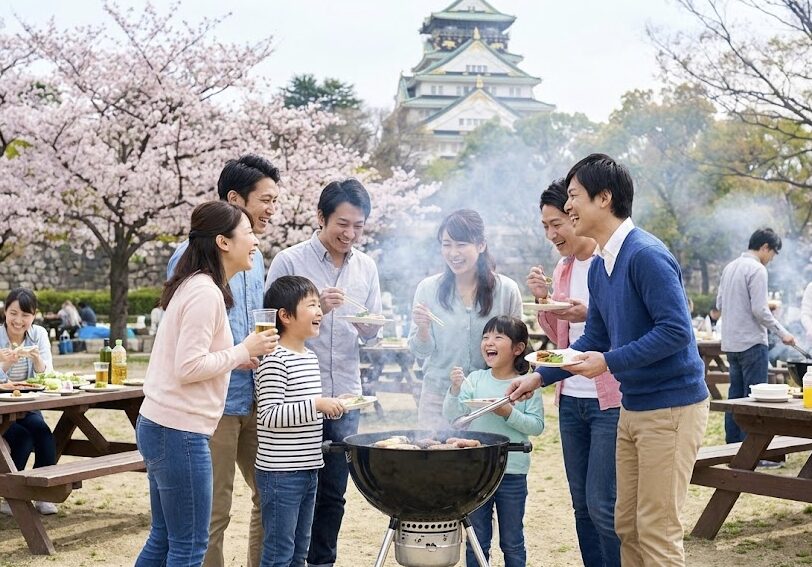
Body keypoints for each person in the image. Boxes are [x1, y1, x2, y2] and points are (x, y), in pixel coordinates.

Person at [509, 153, 709, 567]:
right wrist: (539, 376)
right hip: (634, 407)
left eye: (574, 197)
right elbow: (595, 336)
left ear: (604, 198)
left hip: (671, 406)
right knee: (626, 525)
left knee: (656, 528)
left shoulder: (646, 254)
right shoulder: (602, 265)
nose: (567, 208)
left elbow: (675, 332)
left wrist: (608, 362)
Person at [136, 201, 278, 566]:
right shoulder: (205, 292)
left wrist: (235, 355)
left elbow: (192, 360)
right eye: (248, 233)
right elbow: (189, 366)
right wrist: (240, 350)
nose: (255, 242)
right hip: (179, 431)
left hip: (162, 424)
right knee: (190, 545)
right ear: (223, 242)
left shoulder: (198, 284)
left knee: (165, 539)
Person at [265, 178, 381, 567]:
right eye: (342, 224)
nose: (350, 234)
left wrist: (370, 328)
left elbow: (372, 327)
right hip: (298, 398)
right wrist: (321, 310)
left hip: (347, 395)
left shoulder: (366, 266)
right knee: (294, 493)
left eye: (358, 226)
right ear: (321, 217)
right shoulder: (289, 260)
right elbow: (270, 325)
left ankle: (322, 563)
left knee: (333, 493)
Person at [526, 179, 621, 567]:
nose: (552, 234)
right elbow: (560, 339)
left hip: (608, 398)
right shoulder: (562, 268)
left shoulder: (607, 262)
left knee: (603, 504)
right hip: (570, 398)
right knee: (581, 505)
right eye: (545, 226)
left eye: (557, 224)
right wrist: (543, 303)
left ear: (575, 214)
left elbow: (621, 329)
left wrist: (587, 314)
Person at [256, 275, 346, 567]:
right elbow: (269, 415)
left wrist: (328, 408)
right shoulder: (273, 358)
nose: (320, 311)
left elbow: (303, 409)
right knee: (278, 552)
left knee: (299, 551)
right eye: (311, 305)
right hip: (281, 473)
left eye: (319, 305)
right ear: (285, 315)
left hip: (308, 468)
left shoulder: (308, 358)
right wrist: (317, 405)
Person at [443, 316, 543, 567]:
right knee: (477, 538)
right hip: (477, 471)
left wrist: (507, 413)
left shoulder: (527, 384)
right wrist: (455, 390)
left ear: (518, 348)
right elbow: (455, 419)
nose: (489, 342)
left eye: (498, 337)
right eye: (486, 337)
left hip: (512, 471)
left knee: (512, 540)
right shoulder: (475, 380)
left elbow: (536, 426)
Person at [408, 209, 522, 429]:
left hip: (489, 400)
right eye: (446, 244)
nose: (453, 253)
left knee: (483, 463)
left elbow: (517, 349)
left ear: (481, 245)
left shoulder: (507, 290)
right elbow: (420, 352)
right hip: (438, 397)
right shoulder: (428, 289)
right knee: (434, 458)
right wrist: (422, 329)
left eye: (461, 244)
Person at [716, 228, 795, 443]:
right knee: (754, 400)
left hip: (731, 344)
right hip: (751, 343)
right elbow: (760, 310)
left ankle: (732, 447)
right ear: (765, 247)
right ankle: (751, 452)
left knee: (736, 398)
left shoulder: (730, 267)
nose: (772, 258)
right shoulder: (757, 269)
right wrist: (783, 333)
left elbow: (720, 304)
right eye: (773, 253)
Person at [0, 288, 58, 516]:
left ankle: (43, 496)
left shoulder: (39, 335)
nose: (18, 320)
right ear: (5, 312)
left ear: (34, 316)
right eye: (14, 313)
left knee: (44, 435)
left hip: (26, 403)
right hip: (2, 407)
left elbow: (48, 376)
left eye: (26, 315)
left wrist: (37, 361)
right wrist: (3, 365)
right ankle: (11, 497)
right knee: (22, 439)